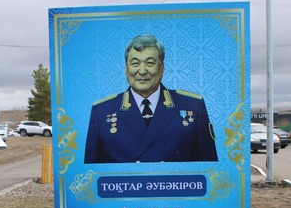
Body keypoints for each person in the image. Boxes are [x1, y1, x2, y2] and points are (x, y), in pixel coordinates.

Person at [84, 34, 218, 163]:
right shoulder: (102, 111)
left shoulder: (193, 106)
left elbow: (209, 169)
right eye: (135, 64)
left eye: (150, 63)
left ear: (162, 67)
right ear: (126, 69)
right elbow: (91, 175)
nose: (142, 71)